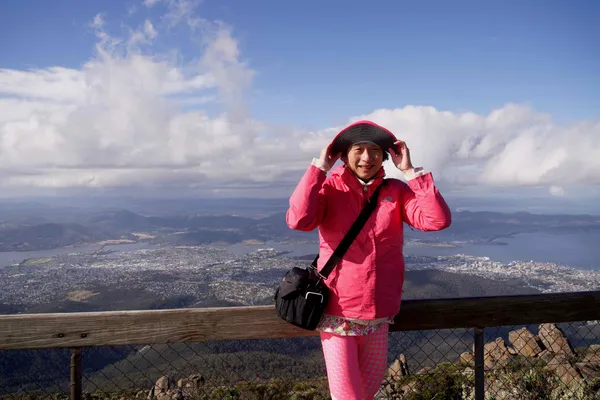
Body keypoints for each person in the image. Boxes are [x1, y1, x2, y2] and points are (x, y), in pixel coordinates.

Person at [286, 120, 452, 400]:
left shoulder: (395, 192)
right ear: (344, 155)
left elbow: (437, 220)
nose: (367, 157)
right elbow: (299, 220)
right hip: (337, 313)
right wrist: (319, 169)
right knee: (348, 398)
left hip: (379, 314)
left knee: (368, 393)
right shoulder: (330, 189)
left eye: (375, 150)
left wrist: (410, 173)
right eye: (359, 149)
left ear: (385, 155)